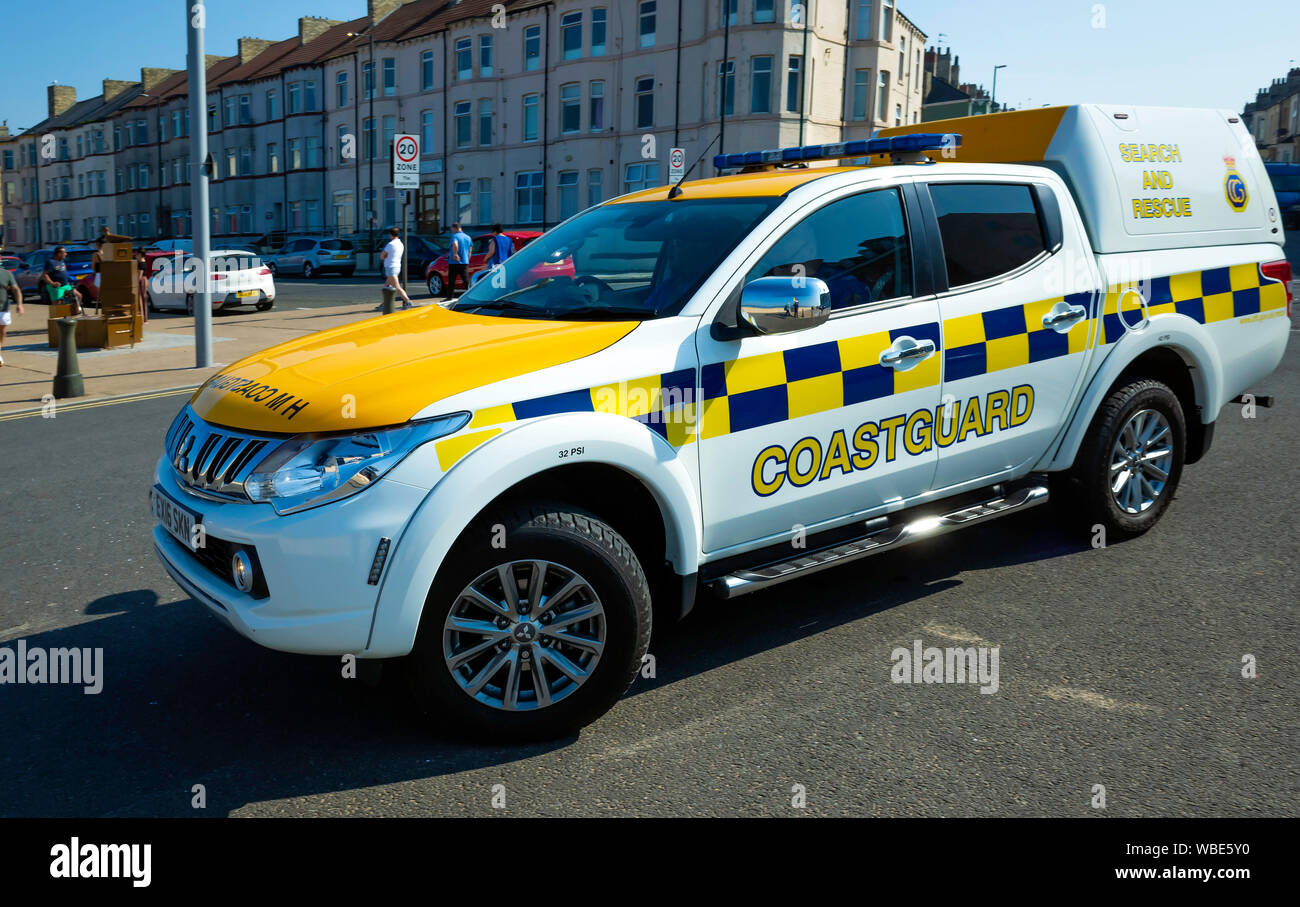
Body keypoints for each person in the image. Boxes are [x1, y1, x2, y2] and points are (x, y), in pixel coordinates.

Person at [42, 246, 82, 314]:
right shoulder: (50, 262)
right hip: (56, 287)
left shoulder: (62, 261)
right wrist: (52, 283)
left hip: (66, 285)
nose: (66, 254)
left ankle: (75, 313)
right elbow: (45, 275)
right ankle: (57, 319)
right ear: (59, 254)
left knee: (78, 296)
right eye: (64, 252)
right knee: (58, 305)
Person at [380, 227, 413, 309]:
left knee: (397, 287)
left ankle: (408, 301)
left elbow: (382, 256)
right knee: (386, 287)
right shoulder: (400, 244)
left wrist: (386, 256)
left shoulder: (390, 244)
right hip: (397, 266)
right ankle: (384, 304)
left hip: (391, 267)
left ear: (390, 234)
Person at [0, 263, 24, 367]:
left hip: (3, 309)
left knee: (2, 332)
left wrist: (19, 304)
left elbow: (16, 289)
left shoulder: (6, 273)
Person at [444, 222, 472, 301]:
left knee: (452, 280)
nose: (451, 230)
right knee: (466, 280)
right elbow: (470, 250)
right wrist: (468, 258)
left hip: (454, 262)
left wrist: (455, 254)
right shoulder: (468, 237)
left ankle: (449, 297)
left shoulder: (454, 236)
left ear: (455, 228)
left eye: (451, 229)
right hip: (464, 262)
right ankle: (471, 295)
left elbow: (455, 244)